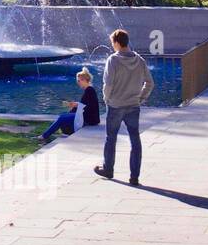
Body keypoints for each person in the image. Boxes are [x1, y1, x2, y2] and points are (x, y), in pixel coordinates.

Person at [94, 29, 152, 186]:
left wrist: (106, 99)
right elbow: (150, 82)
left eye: (113, 42)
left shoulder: (113, 60)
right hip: (133, 105)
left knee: (111, 138)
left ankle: (108, 169)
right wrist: (141, 97)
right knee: (135, 139)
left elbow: (108, 84)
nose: (112, 46)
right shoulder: (140, 60)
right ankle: (134, 177)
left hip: (116, 105)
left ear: (117, 43)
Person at [39, 68, 99, 142]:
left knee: (62, 118)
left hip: (89, 119)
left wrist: (76, 104)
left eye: (79, 81)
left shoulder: (89, 90)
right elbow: (86, 104)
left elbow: (88, 106)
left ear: (84, 80)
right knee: (67, 115)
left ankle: (44, 136)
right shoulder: (89, 90)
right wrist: (75, 105)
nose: (78, 82)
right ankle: (65, 131)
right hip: (90, 117)